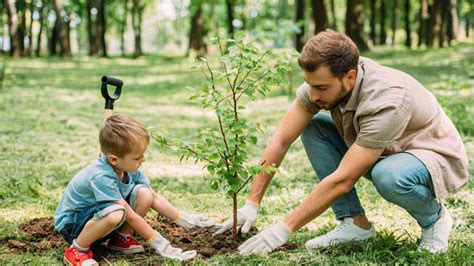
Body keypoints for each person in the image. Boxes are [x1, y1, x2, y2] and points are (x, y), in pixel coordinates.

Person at [215, 29, 468, 255]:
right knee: (314, 127)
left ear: (349, 77)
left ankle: (435, 220)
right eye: (309, 85)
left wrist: (284, 228)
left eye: (322, 88)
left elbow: (344, 178)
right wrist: (252, 202)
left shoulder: (387, 100)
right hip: (385, 148)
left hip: (430, 155)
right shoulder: (321, 84)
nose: (314, 95)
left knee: (388, 175)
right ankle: (355, 224)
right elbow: (281, 139)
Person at [55, 114, 216, 265]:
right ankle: (76, 249)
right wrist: (161, 244)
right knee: (116, 212)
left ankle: (120, 238)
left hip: (98, 219)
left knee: (144, 194)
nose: (143, 160)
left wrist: (184, 220)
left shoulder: (129, 168)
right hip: (74, 225)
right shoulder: (101, 176)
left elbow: (154, 197)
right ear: (113, 159)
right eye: (137, 157)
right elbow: (130, 216)